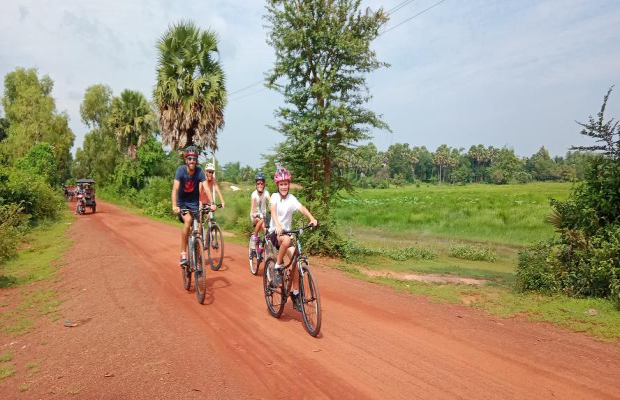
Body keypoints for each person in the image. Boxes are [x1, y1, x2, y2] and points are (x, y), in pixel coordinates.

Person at [269, 166, 317, 311]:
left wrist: (312, 218)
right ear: (277, 185)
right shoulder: (275, 197)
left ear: (289, 184)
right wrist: (277, 224)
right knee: (287, 240)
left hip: (287, 233)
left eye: (286, 184)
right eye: (281, 184)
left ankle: (295, 293)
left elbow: (301, 208)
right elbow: (272, 210)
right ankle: (277, 267)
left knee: (296, 260)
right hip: (275, 233)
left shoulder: (291, 198)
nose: (284, 187)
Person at [172, 146, 215, 267]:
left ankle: (196, 251)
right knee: (188, 220)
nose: (192, 161)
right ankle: (183, 253)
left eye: (194, 159)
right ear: (186, 160)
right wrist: (174, 205)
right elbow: (175, 189)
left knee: (197, 229)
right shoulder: (180, 171)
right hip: (183, 204)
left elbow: (206, 188)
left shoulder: (200, 171)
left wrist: (212, 203)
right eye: (190, 158)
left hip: (194, 204)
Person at [249, 172, 270, 250]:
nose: (260, 185)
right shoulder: (254, 195)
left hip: (263, 214)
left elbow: (270, 202)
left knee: (267, 229)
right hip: (255, 216)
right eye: (258, 184)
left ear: (264, 184)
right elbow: (252, 209)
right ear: (256, 185)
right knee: (260, 220)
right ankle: (254, 237)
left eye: (261, 183)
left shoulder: (266, 193)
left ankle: (265, 243)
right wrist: (254, 214)